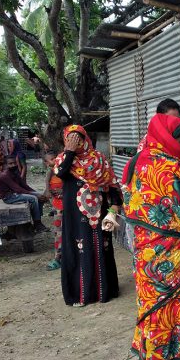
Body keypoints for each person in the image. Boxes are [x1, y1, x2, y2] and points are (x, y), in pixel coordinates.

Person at [122, 113, 180, 360]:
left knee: (153, 297)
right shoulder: (173, 168)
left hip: (144, 245)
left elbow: (127, 198)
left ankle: (166, 357)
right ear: (167, 139)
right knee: (172, 296)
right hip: (169, 246)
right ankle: (176, 355)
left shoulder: (137, 162)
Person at [54, 125, 122, 307]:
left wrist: (113, 212)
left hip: (100, 214)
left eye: (78, 138)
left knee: (102, 247)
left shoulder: (99, 159)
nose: (75, 142)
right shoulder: (63, 160)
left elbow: (113, 186)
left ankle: (105, 291)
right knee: (78, 249)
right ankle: (81, 294)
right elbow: (60, 173)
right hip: (75, 217)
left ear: (86, 140)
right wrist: (69, 151)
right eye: (70, 138)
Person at [0, 155, 49, 233]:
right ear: (5, 165)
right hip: (9, 197)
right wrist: (35, 195)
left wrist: (37, 193)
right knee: (34, 198)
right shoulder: (5, 175)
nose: (13, 165)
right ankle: (37, 223)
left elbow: (24, 186)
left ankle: (37, 219)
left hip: (15, 193)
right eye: (10, 163)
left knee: (40, 196)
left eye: (14, 163)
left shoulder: (15, 172)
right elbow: (18, 189)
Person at [43, 151, 64, 271]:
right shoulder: (51, 173)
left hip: (68, 206)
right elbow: (48, 191)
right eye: (51, 159)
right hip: (58, 208)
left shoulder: (64, 171)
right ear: (46, 163)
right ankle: (58, 258)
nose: (54, 160)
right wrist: (50, 192)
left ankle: (60, 257)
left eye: (55, 157)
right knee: (58, 233)